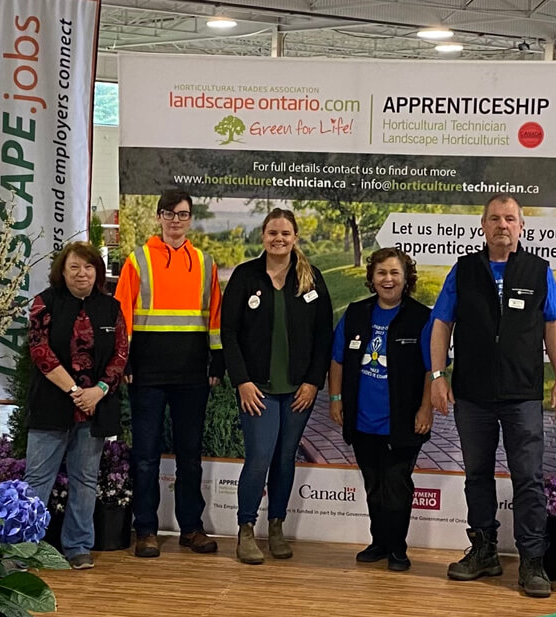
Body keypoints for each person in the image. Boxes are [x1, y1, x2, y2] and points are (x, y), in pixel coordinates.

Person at [430, 193, 556, 598]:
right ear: (483, 226)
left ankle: (531, 562)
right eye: (494, 219)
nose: (502, 225)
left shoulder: (537, 271)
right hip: (471, 395)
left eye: (510, 219)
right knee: (477, 475)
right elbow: (441, 324)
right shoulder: (463, 271)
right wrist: (438, 376)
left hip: (522, 394)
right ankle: (484, 552)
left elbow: (554, 327)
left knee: (528, 479)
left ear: (521, 227)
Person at [114, 189, 224, 559]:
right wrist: (123, 360)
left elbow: (214, 318)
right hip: (146, 374)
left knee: (190, 456)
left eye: (183, 214)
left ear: (190, 218)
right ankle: (145, 529)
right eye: (169, 214)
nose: (176, 220)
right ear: (159, 217)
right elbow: (121, 316)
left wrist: (217, 360)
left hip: (192, 374)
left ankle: (191, 529)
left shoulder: (205, 263)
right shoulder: (138, 260)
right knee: (145, 455)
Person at [222, 209, 332, 564]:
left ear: (295, 237)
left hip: (298, 390)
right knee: (259, 457)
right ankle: (245, 530)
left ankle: (277, 527)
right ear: (263, 236)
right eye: (272, 232)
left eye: (285, 233)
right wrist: (241, 381)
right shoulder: (245, 276)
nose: (279, 238)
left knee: (286, 458)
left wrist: (314, 382)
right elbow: (229, 333)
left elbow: (323, 336)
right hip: (258, 389)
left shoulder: (311, 278)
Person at [327, 247, 434, 572]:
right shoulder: (356, 313)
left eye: (394, 273)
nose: (388, 280)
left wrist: (426, 409)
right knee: (373, 484)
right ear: (372, 279)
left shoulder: (421, 317)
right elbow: (337, 359)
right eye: (381, 273)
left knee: (396, 485)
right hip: (361, 420)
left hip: (403, 421)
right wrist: (335, 399)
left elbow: (433, 368)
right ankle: (379, 543)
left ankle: (398, 549)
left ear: (406, 278)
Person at [24, 241, 128, 570]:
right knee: (37, 480)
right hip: (52, 404)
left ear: (97, 271)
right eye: (74, 267)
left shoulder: (111, 308)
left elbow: (121, 353)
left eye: (88, 267)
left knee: (85, 479)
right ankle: (23, 549)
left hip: (96, 406)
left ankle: (78, 545)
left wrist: (98, 390)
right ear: (62, 271)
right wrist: (74, 390)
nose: (82, 273)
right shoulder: (45, 303)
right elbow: (40, 352)